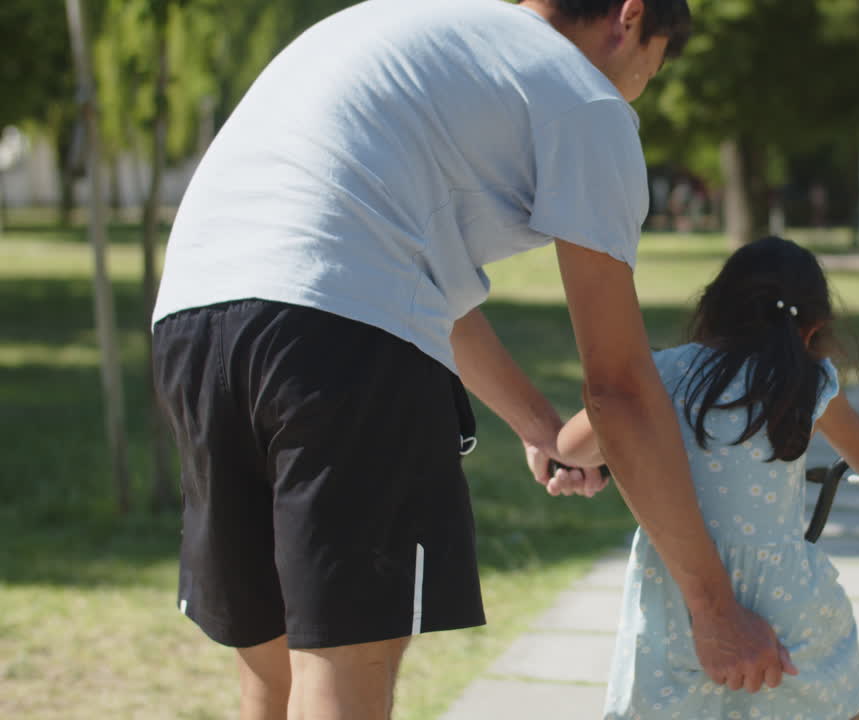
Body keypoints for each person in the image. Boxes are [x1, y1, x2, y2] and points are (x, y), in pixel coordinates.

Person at [150, 1, 796, 718]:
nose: (642, 87)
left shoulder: (428, 35)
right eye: (655, 63)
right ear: (629, 18)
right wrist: (715, 610)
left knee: (270, 664)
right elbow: (619, 388)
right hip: (336, 343)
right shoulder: (585, 97)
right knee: (344, 657)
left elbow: (407, 285)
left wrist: (541, 430)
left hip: (192, 320)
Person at [552, 236, 859, 719]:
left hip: (676, 605)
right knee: (827, 702)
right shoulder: (806, 382)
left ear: (712, 308)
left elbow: (571, 446)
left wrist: (600, 457)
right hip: (788, 604)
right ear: (814, 327)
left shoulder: (661, 373)